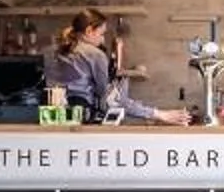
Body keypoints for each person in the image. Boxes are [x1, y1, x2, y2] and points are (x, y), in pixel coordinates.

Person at [47, 9, 191, 125]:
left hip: (50, 118)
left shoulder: (52, 52)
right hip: (81, 120)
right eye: (102, 34)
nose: (103, 39)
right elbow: (111, 100)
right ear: (89, 31)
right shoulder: (94, 54)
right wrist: (159, 114)